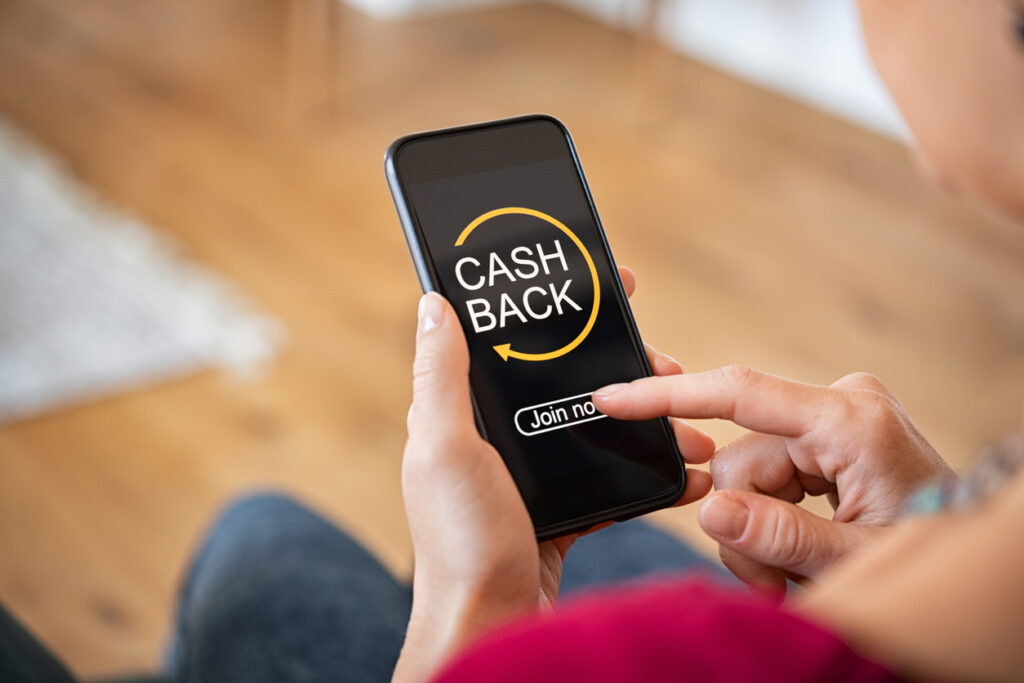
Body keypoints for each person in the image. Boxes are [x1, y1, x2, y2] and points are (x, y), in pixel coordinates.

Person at [2, 1, 1023, 682]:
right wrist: (946, 512)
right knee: (616, 528)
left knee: (259, 540)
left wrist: (475, 601)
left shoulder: (656, 655)